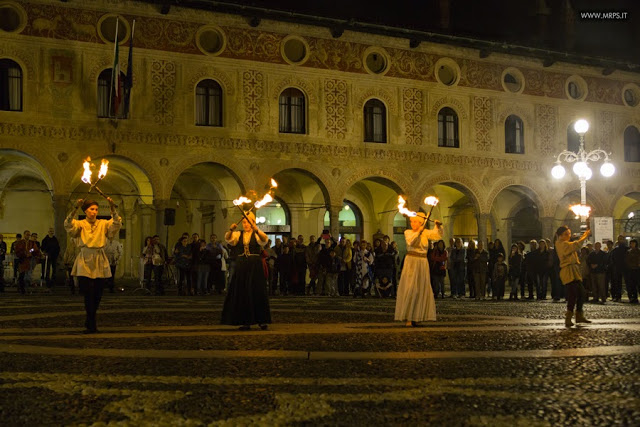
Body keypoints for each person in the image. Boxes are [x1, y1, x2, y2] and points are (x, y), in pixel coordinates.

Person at [65, 198, 121, 333]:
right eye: (91, 209)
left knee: (98, 294)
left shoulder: (103, 224)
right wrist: (75, 208)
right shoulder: (80, 224)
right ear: (85, 211)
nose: (94, 212)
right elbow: (68, 225)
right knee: (88, 293)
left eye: (96, 209)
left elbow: (116, 223)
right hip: (85, 259)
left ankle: (90, 319)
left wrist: (112, 208)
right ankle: (91, 322)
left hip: (99, 259)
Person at [222, 211, 271, 330]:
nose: (245, 224)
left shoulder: (257, 234)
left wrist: (256, 229)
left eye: (248, 222)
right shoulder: (238, 234)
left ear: (253, 223)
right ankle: (245, 321)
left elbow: (264, 240)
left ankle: (262, 320)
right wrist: (231, 230)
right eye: (244, 222)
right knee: (243, 293)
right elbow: (229, 239)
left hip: (255, 266)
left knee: (257, 291)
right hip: (242, 266)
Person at [394, 213, 443, 327]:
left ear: (421, 223)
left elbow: (437, 235)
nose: (413, 224)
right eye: (412, 221)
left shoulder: (425, 233)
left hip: (422, 262)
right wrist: (419, 233)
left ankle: (418, 316)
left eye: (416, 222)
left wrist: (438, 226)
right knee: (411, 288)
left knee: (421, 289)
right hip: (411, 262)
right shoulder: (408, 232)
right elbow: (412, 242)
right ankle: (409, 317)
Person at [555, 225, 591, 327]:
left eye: (569, 234)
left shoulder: (566, 243)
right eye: (566, 234)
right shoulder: (560, 244)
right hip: (568, 271)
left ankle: (579, 315)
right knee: (572, 295)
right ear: (560, 236)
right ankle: (568, 317)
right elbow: (576, 245)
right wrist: (585, 236)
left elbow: (575, 245)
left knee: (582, 293)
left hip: (574, 270)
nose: (568, 236)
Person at [624, 239, 639, 304]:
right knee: (631, 285)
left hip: (637, 270)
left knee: (637, 284)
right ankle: (632, 297)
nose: (632, 245)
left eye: (633, 243)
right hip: (630, 270)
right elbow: (626, 260)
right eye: (631, 243)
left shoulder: (638, 251)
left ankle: (635, 297)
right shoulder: (628, 251)